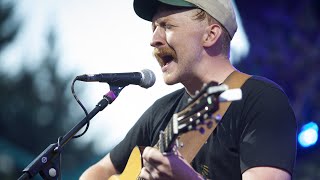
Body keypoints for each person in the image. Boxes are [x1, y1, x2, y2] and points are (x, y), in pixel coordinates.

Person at [80, 0, 297, 179]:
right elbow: (97, 172)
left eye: (167, 26)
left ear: (210, 35)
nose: (153, 40)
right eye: (154, 28)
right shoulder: (161, 111)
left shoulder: (262, 101)